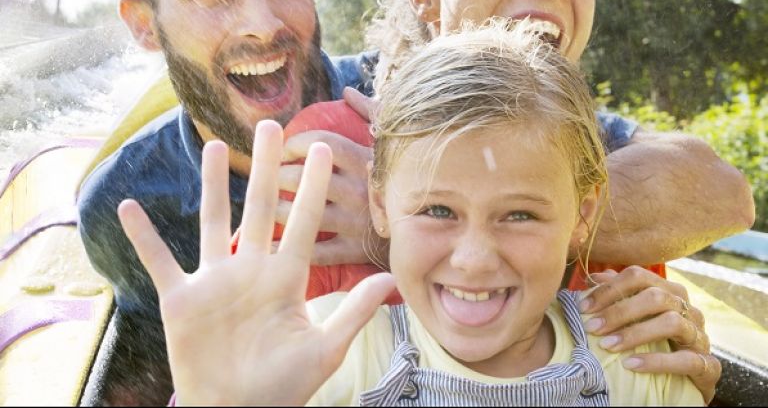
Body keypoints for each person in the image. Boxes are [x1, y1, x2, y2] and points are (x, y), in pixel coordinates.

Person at [77, 0, 741, 403]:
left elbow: (722, 195)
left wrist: (418, 218)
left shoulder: (543, 134)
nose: (260, 20)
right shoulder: (130, 204)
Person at [119, 21, 706, 406]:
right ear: (380, 204)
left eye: (521, 216)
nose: (474, 259)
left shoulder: (639, 367)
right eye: (438, 210)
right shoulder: (329, 353)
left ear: (584, 215)